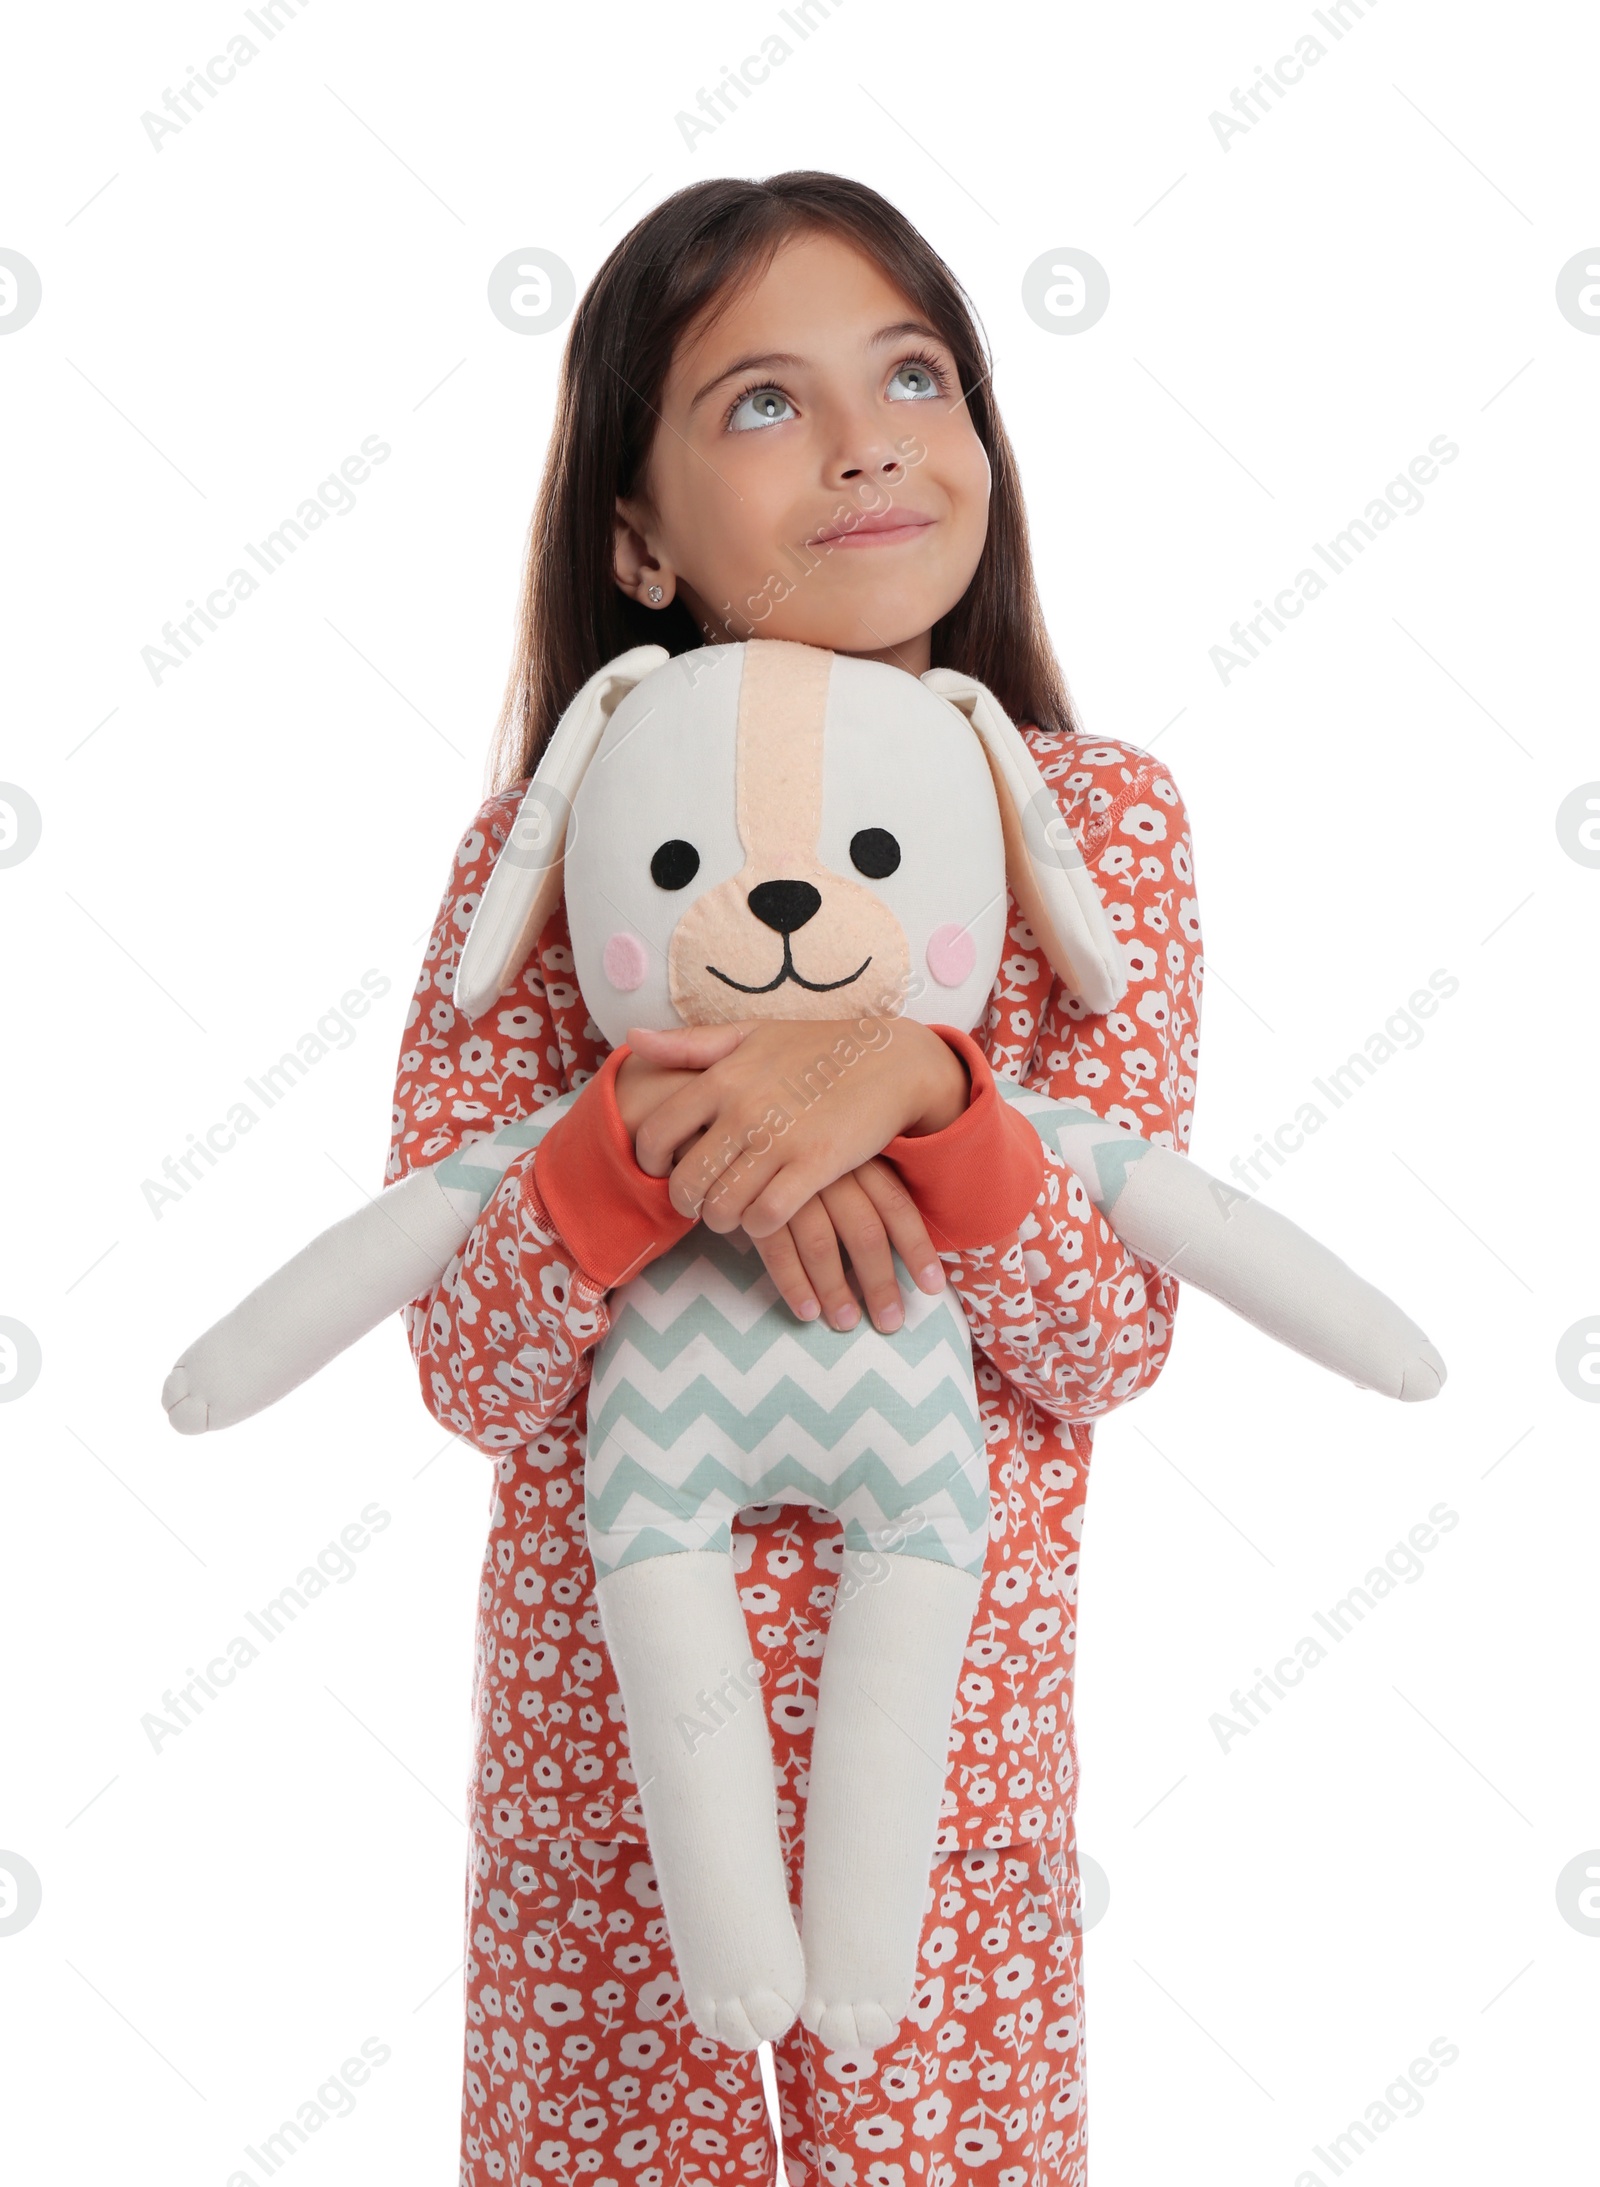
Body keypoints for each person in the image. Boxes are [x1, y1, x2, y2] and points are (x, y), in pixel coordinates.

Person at [387, 170, 1204, 2187]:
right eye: (761, 398)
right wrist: (622, 1151)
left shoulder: (1091, 834)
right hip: (609, 1812)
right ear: (635, 532)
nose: (865, 441)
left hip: (942, 1802)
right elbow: (464, 1371)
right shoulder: (547, 869)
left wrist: (925, 1085)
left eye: (914, 375)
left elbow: (1104, 1337)